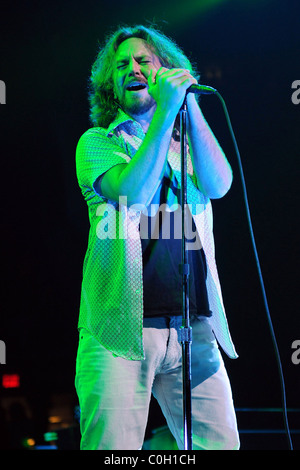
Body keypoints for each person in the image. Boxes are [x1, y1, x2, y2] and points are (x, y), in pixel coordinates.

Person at [75, 24, 239, 450]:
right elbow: (134, 194)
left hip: (191, 325)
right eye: (121, 64)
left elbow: (220, 184)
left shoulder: (187, 142)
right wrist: (166, 113)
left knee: (220, 445)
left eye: (144, 60)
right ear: (110, 83)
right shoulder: (97, 142)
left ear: (165, 69)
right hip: (118, 330)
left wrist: (188, 106)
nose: (133, 68)